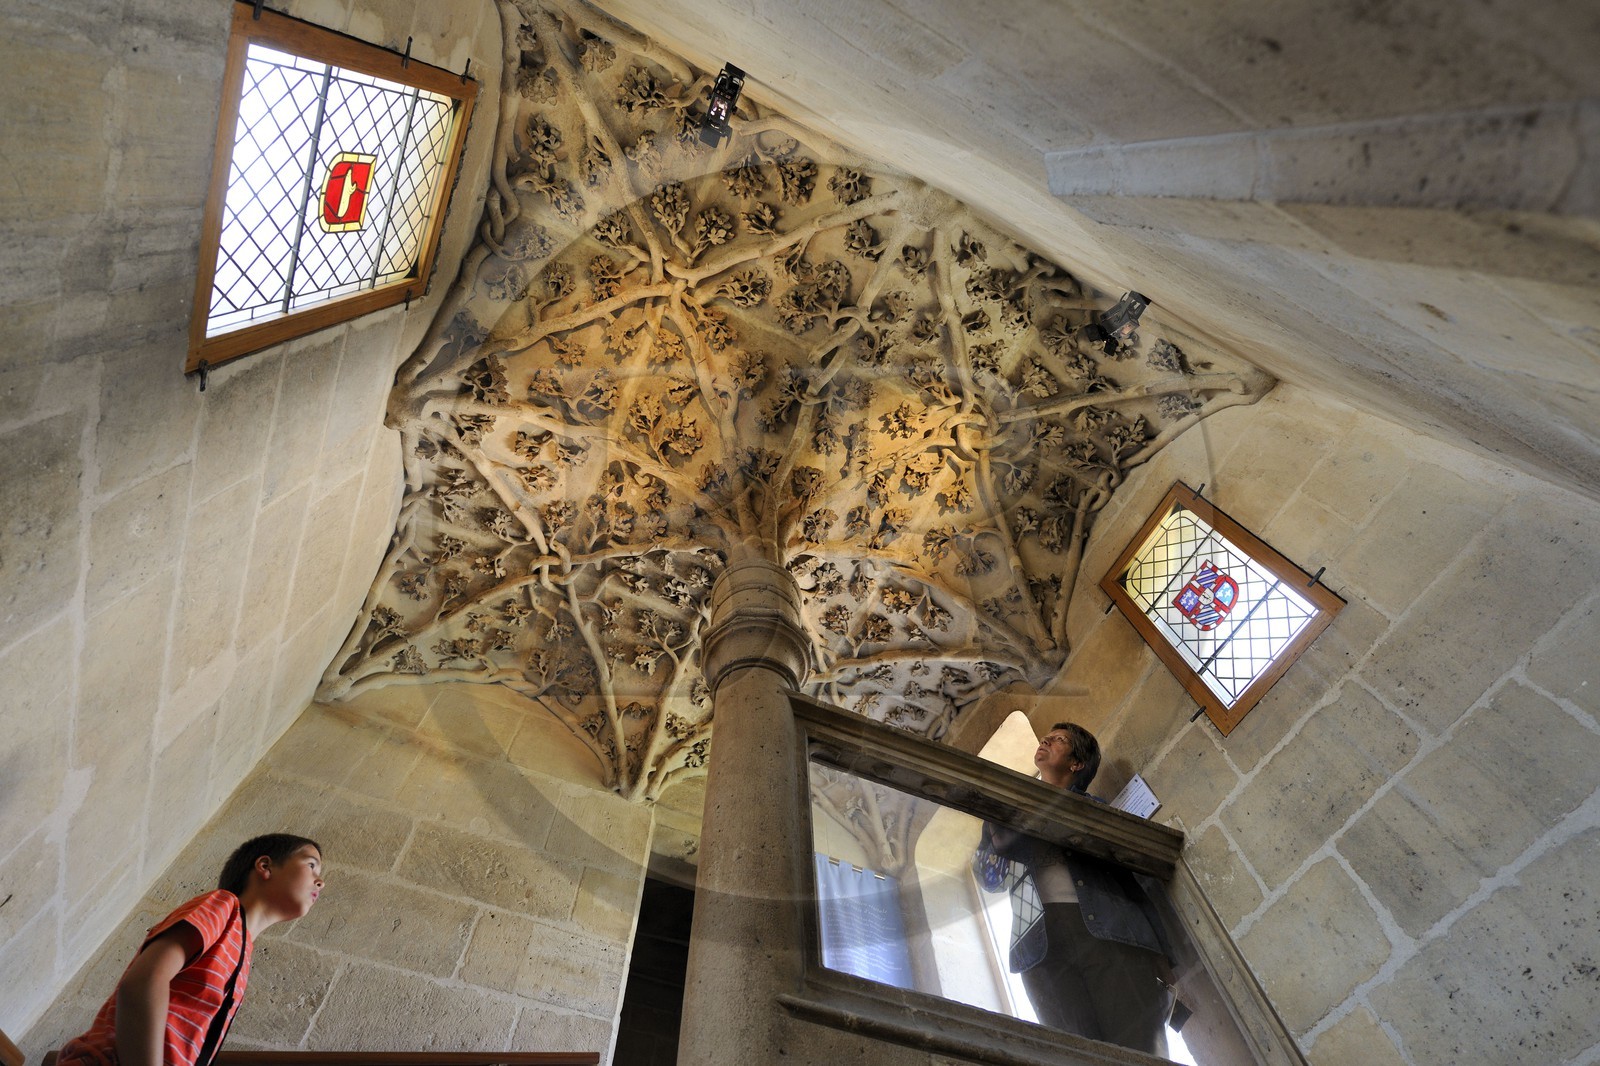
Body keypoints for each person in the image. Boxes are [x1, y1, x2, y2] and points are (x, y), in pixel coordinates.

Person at [980, 724, 1173, 1055]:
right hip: (1037, 944)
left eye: (1058, 740)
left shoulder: (1095, 810)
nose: (1046, 740)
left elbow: (1133, 881)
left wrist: (1165, 953)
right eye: (1047, 737)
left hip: (1111, 931)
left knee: (1139, 1048)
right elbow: (989, 879)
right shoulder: (1007, 809)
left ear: (1076, 764)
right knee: (1072, 1053)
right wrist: (995, 828)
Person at [58, 834, 325, 1066]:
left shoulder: (242, 951)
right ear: (265, 866)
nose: (320, 881)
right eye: (311, 865)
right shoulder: (224, 906)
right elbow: (143, 982)